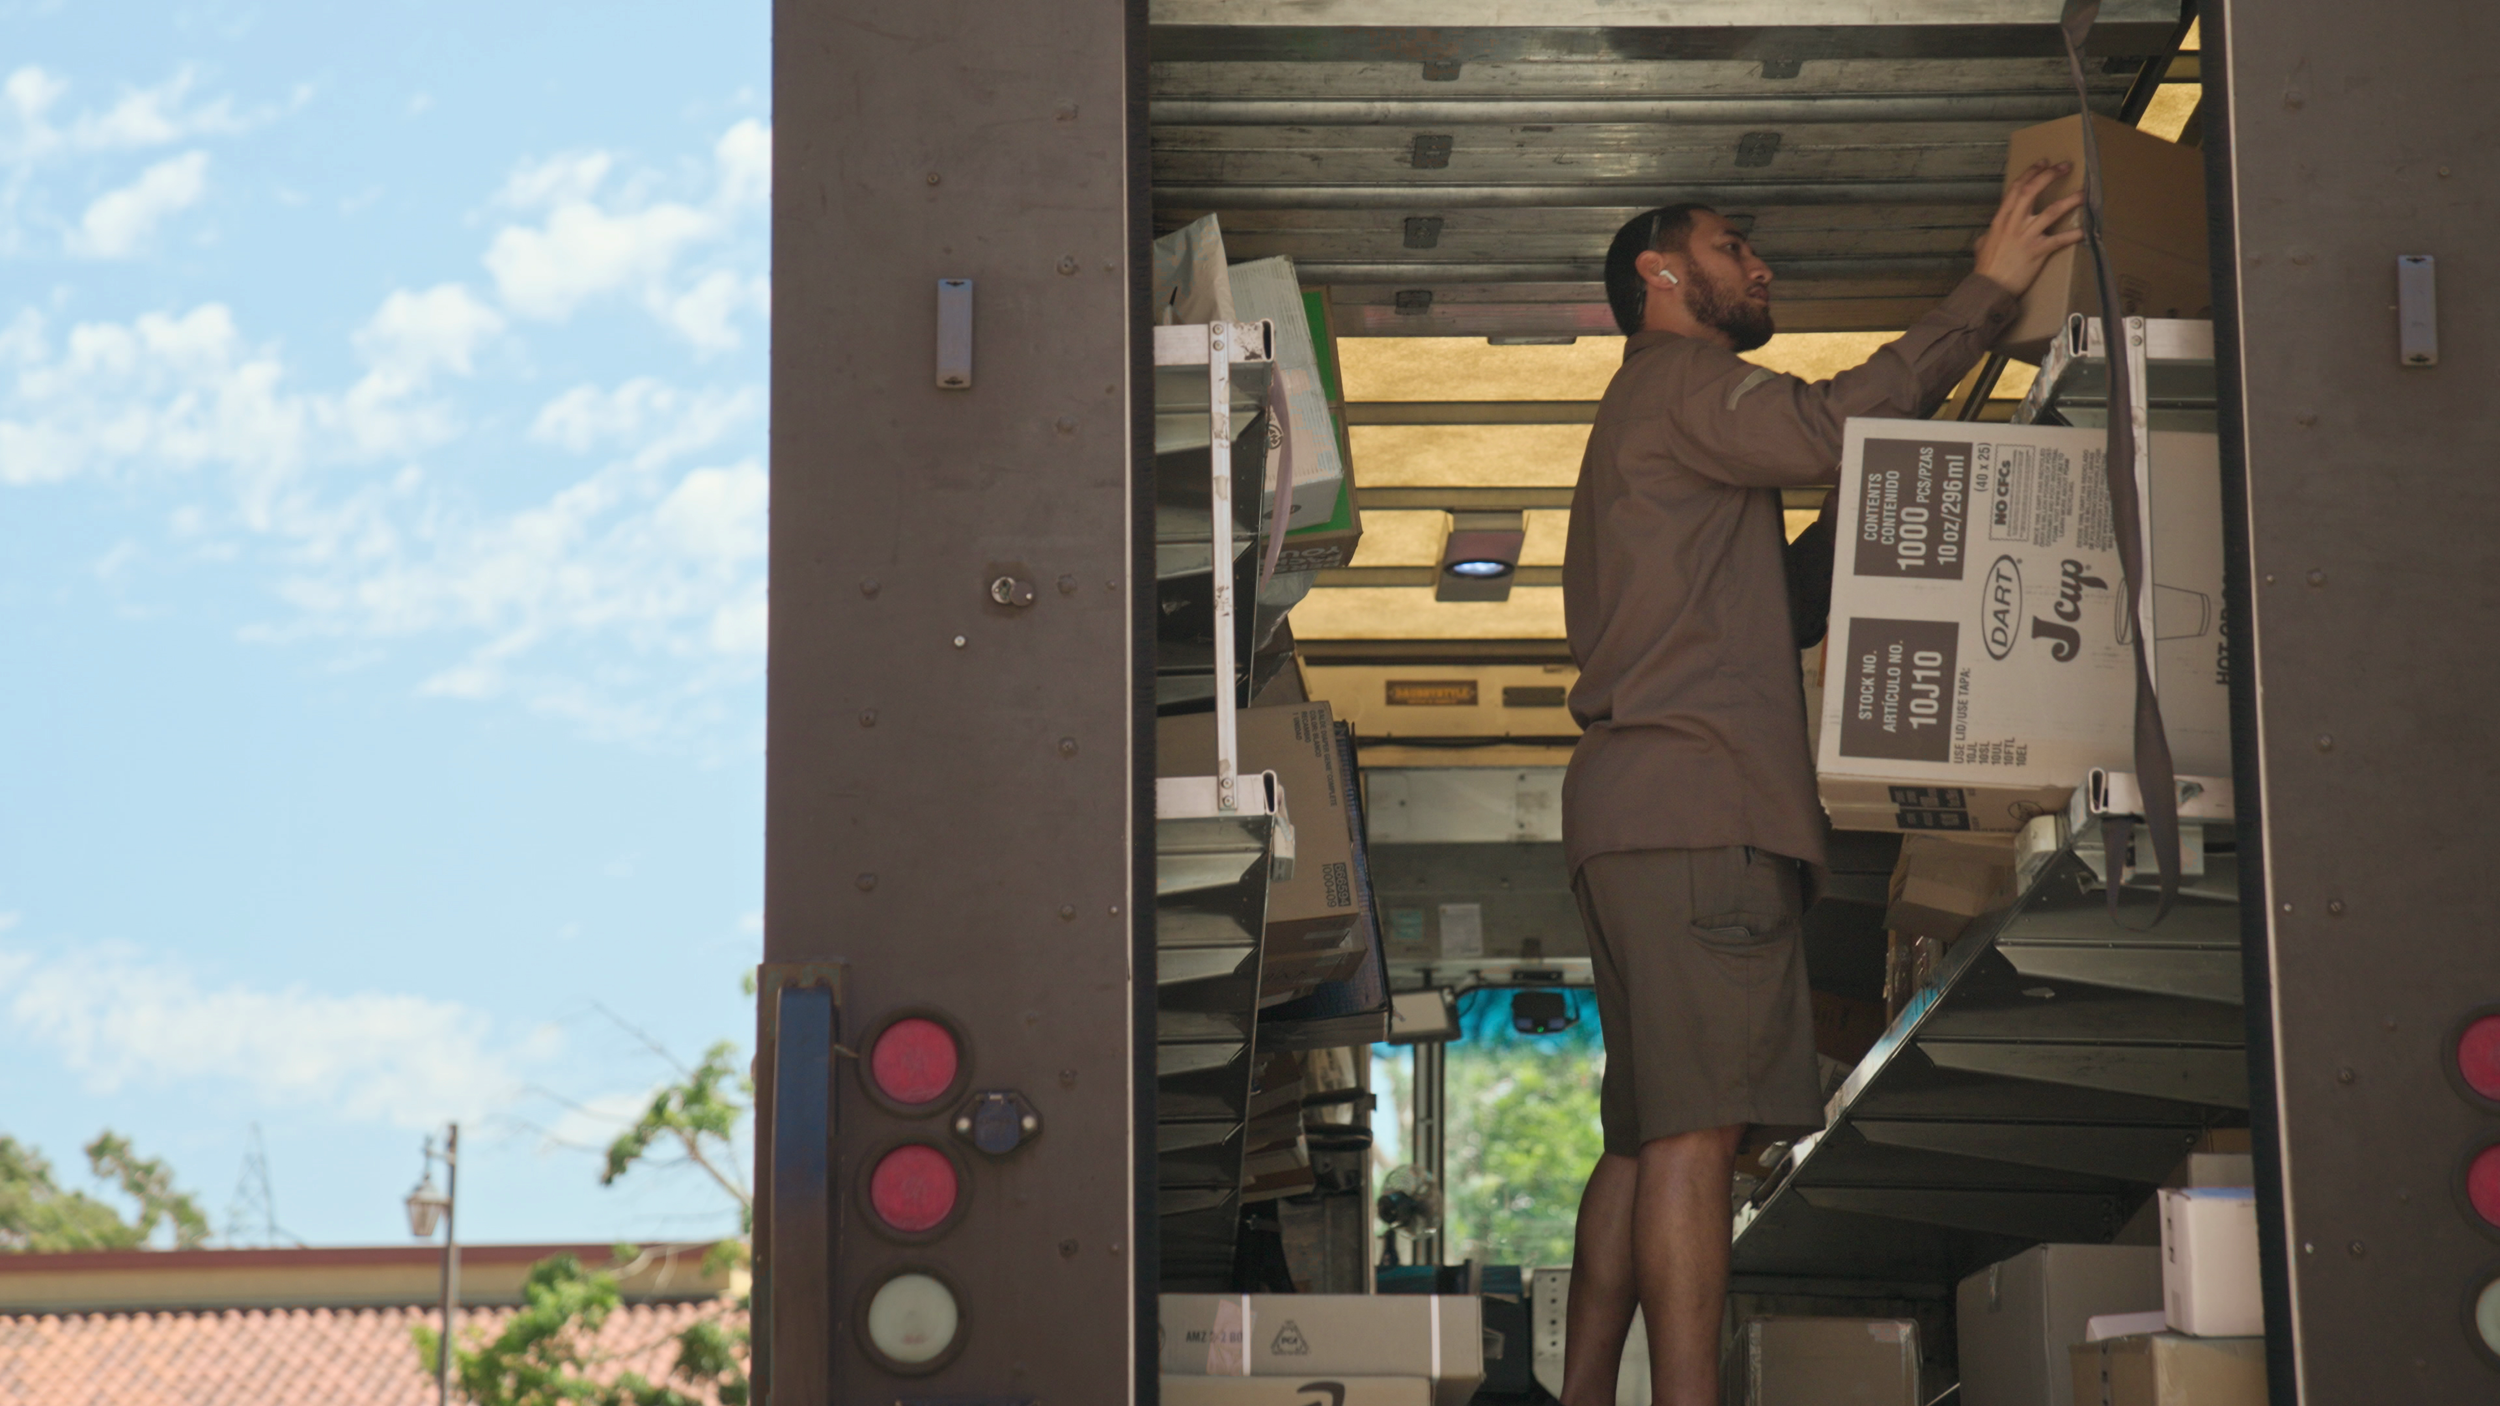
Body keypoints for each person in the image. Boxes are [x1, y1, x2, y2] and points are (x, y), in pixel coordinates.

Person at [1556, 161, 2086, 1406]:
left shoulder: (1637, 432)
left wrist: (1910, 494)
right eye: (1734, 246)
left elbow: (1778, 600)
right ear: (1661, 273)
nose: (1760, 267)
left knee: (1640, 1135)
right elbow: (1828, 422)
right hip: (1702, 810)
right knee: (1700, 1129)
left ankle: (1578, 1395)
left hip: (1632, 814)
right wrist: (1989, 292)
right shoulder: (1685, 379)